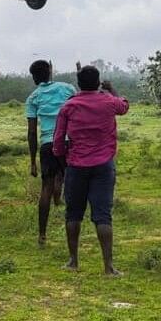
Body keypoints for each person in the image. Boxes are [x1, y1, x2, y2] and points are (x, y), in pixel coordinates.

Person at [52, 65, 129, 275]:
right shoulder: (108, 102)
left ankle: (73, 261)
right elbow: (124, 106)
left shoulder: (69, 106)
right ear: (98, 82)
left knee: (73, 214)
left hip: (76, 165)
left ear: (78, 83)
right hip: (103, 165)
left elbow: (58, 140)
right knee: (103, 215)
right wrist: (112, 89)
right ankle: (108, 266)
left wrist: (63, 162)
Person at [25, 59, 76, 245]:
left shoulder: (33, 98)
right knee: (72, 182)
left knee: (45, 187)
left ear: (34, 78)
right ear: (50, 72)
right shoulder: (68, 89)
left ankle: (42, 234)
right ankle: (73, 226)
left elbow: (31, 132)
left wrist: (32, 160)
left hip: (47, 143)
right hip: (69, 141)